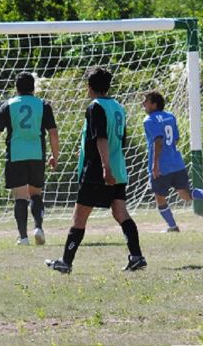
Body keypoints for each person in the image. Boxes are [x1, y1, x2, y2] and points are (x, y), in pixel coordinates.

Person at [46, 67, 145, 274]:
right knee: (120, 213)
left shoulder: (95, 107)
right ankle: (136, 256)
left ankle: (66, 262)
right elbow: (117, 139)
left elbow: (102, 138)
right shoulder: (118, 107)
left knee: (79, 218)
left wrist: (104, 167)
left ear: (90, 87)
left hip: (99, 170)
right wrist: (85, 151)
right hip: (118, 167)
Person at [0, 71, 59, 246]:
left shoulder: (8, 105)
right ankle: (38, 227)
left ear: (16, 88)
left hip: (16, 155)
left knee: (20, 197)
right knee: (36, 193)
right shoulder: (43, 105)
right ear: (33, 87)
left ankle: (23, 237)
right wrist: (55, 155)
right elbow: (53, 133)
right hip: (37, 155)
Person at [142, 91, 203, 232]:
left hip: (162, 167)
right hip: (177, 162)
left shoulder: (149, 120)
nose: (143, 104)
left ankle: (172, 226)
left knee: (160, 198)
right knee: (185, 195)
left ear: (154, 105)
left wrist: (155, 165)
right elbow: (176, 138)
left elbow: (158, 141)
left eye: (145, 101)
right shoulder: (170, 116)